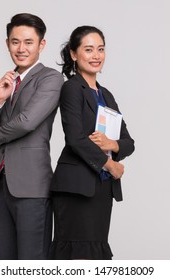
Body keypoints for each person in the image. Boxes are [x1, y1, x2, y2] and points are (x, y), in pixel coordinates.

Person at [0, 13, 63, 260]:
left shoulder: (51, 78)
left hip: (33, 188)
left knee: (32, 264)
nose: (21, 49)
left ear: (41, 45)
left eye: (28, 42)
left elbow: (27, 122)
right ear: (7, 44)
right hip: (1, 188)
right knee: (5, 263)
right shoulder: (7, 81)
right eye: (15, 42)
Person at [49, 26, 135, 260]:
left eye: (100, 49)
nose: (96, 55)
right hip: (76, 188)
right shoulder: (72, 88)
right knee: (78, 256)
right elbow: (75, 139)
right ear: (74, 55)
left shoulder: (106, 94)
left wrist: (112, 144)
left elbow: (128, 142)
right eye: (89, 49)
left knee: (95, 254)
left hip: (101, 189)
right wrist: (111, 166)